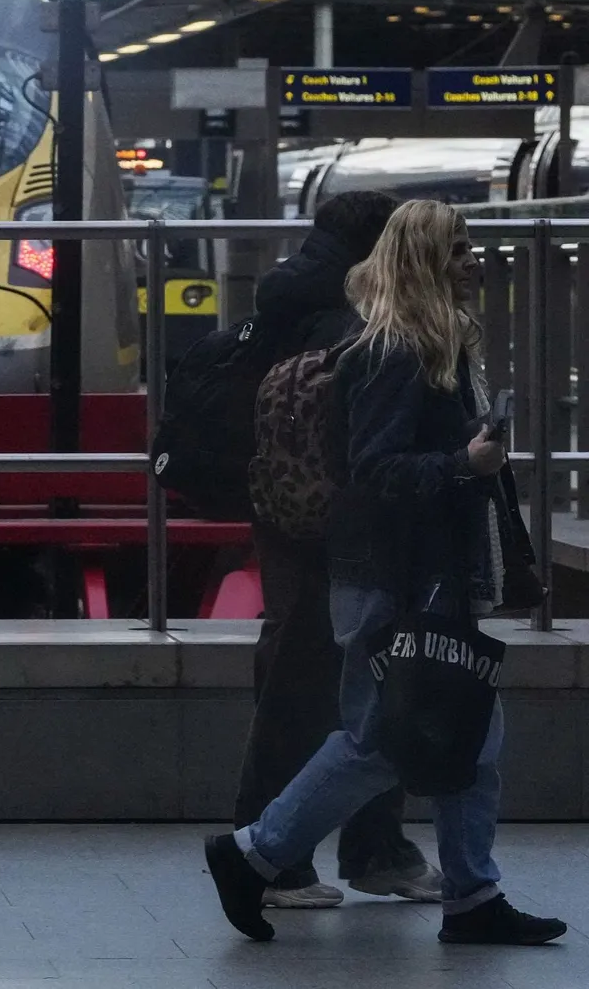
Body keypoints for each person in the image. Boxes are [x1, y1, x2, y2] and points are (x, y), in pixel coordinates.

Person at [206, 199, 567, 946]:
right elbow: (371, 472)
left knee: (471, 739)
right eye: (460, 250)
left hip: (426, 574)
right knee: (376, 741)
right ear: (427, 262)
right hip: (392, 579)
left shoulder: (435, 346)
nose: (474, 262)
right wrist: (461, 462)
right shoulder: (393, 351)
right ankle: (254, 852)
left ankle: (472, 895)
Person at [231, 191, 444, 910]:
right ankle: (273, 854)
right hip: (337, 522)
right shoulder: (348, 318)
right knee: (317, 685)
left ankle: (362, 849)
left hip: (297, 510)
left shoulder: (295, 297)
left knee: (347, 688)